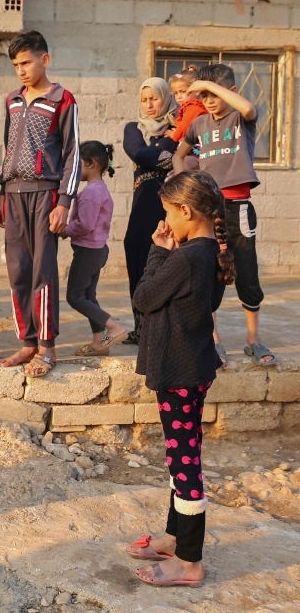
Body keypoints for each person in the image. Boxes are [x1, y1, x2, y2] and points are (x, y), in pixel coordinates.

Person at [127, 171, 233, 589]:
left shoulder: (186, 258)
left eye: (169, 212)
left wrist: (157, 253)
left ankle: (189, 561)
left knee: (185, 464)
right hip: (192, 369)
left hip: (180, 371)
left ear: (186, 211)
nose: (166, 220)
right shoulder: (205, 252)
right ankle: (175, 538)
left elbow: (144, 297)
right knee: (181, 456)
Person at [174, 63, 275, 367]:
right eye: (203, 95)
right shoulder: (199, 124)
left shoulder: (240, 118)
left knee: (246, 271)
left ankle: (253, 339)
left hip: (238, 207)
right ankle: (214, 340)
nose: (208, 100)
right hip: (208, 211)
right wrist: (187, 185)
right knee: (208, 272)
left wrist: (207, 85)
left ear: (229, 92)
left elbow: (247, 106)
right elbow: (180, 157)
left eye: (213, 93)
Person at [0, 30, 80, 377]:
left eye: (26, 62)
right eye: (15, 65)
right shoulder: (12, 100)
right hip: (13, 195)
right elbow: (6, 148)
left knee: (43, 271)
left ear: (45, 59)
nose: (21, 70)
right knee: (18, 271)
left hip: (46, 196)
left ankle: (47, 347)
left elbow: (73, 152)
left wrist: (64, 202)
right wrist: (2, 192)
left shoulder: (63, 99)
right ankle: (27, 342)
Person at [122, 78, 178, 345]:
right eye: (145, 99)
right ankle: (141, 328)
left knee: (166, 267)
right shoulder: (134, 128)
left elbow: (157, 155)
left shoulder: (179, 127)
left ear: (165, 98)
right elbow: (137, 151)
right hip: (142, 209)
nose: (149, 104)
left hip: (170, 211)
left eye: (154, 98)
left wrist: (171, 152)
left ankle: (163, 329)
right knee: (138, 263)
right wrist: (169, 157)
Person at [63, 141, 126, 356]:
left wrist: (65, 229)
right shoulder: (100, 189)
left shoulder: (90, 192)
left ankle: (114, 328)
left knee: (75, 297)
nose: (74, 170)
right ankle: (99, 342)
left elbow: (85, 224)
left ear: (91, 164)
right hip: (98, 250)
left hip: (87, 251)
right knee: (88, 296)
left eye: (77, 164)